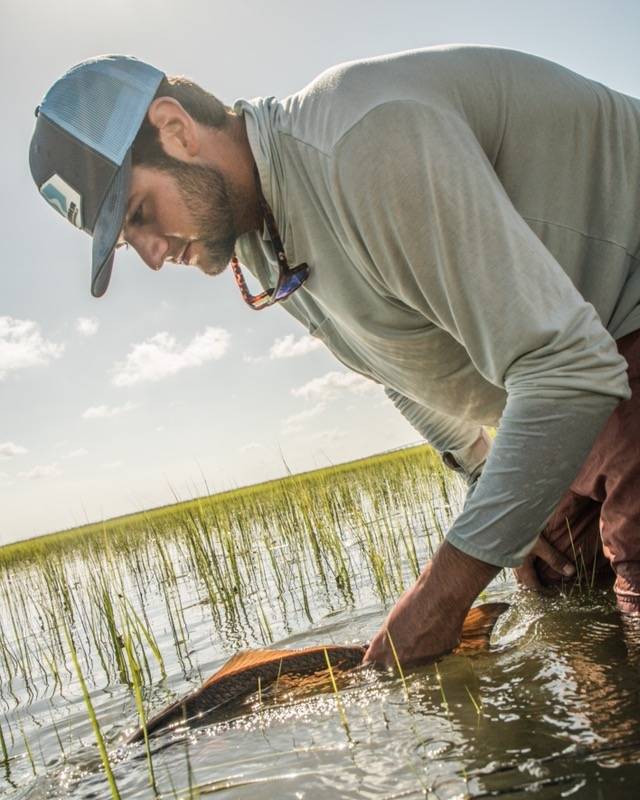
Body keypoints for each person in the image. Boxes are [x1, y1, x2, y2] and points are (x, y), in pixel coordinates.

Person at [29, 46, 640, 667]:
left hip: (618, 318)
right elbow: (395, 358)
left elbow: (571, 369)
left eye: (140, 214)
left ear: (176, 129)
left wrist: (445, 591)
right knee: (555, 580)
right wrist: (490, 486)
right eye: (132, 245)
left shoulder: (361, 143)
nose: (154, 254)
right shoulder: (260, 242)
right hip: (574, 359)